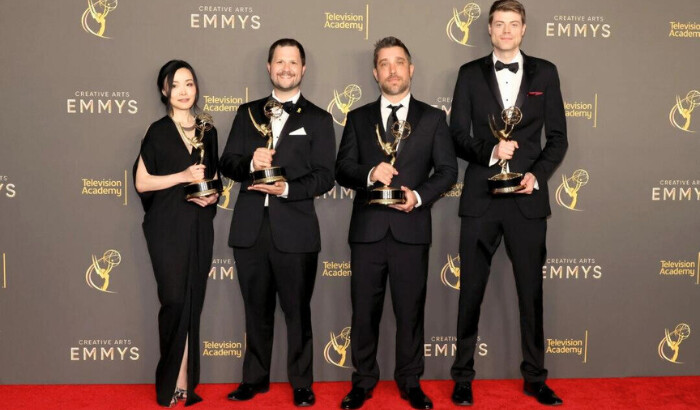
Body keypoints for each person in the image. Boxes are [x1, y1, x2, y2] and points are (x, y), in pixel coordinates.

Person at [449, 0, 568, 406]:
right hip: (482, 197)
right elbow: (456, 135)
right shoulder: (468, 74)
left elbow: (558, 138)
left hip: (527, 199)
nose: (505, 30)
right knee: (470, 293)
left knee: (530, 292)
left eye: (513, 24)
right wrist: (490, 150)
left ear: (523, 29)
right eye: (499, 23)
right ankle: (462, 376)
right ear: (488, 29)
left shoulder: (546, 72)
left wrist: (537, 175)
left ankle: (536, 377)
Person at [336, 37, 457, 410]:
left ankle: (410, 381)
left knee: (410, 311)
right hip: (368, 232)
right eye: (384, 64)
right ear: (375, 73)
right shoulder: (357, 118)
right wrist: (371, 172)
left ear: (411, 69)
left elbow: (448, 171)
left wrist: (417, 196)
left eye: (399, 62)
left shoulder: (434, 118)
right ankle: (363, 381)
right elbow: (342, 169)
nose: (392, 70)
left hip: (411, 230)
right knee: (364, 311)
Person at [219, 38, 336, 407]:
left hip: (296, 230)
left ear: (303, 69)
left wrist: (287, 188)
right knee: (255, 310)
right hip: (251, 228)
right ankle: (254, 379)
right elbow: (227, 163)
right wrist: (251, 164)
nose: (286, 68)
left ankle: (301, 383)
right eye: (279, 62)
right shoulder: (245, 113)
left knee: (298, 311)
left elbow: (325, 176)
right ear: (269, 67)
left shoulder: (318, 118)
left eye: (293, 62)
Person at [134, 60, 220, 407]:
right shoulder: (157, 131)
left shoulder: (208, 130)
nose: (184, 91)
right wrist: (181, 176)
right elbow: (142, 182)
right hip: (166, 227)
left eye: (190, 83)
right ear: (164, 91)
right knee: (174, 301)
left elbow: (214, 181)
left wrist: (212, 194)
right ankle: (170, 380)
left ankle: (184, 381)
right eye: (177, 85)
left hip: (199, 225)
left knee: (192, 303)